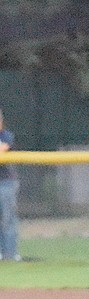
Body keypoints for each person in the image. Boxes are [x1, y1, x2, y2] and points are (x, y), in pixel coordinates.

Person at [0, 107, 19, 261]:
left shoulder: (6, 136)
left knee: (8, 219)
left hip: (6, 183)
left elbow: (3, 149)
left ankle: (10, 254)